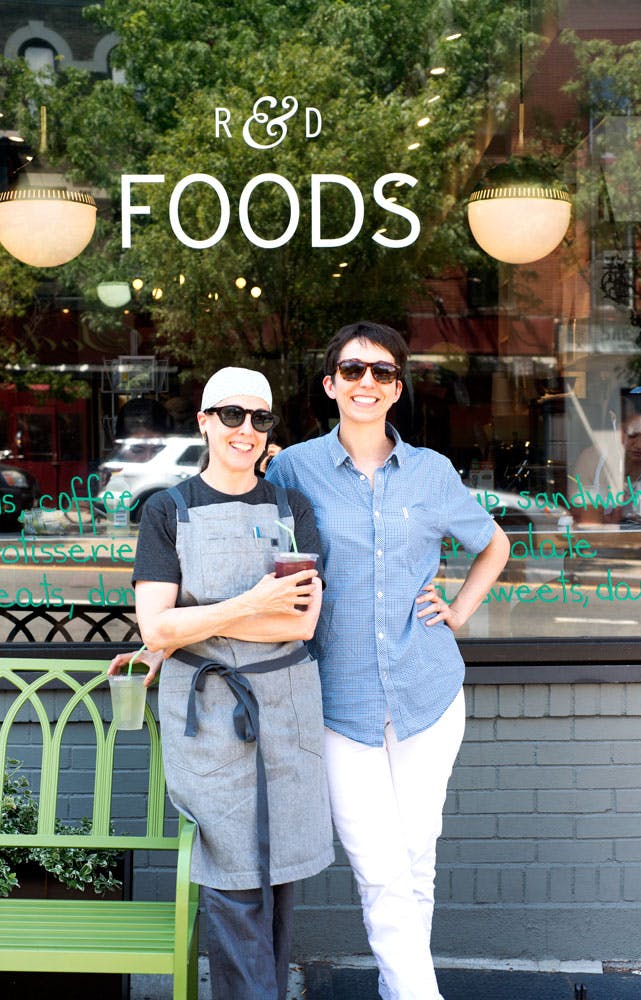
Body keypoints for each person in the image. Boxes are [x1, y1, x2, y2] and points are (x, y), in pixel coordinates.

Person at [265, 321, 510, 1000]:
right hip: (337, 700)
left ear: (396, 388)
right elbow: (257, 553)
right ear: (329, 384)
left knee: (415, 857)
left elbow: (492, 546)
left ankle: (402, 990)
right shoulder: (293, 469)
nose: (365, 382)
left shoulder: (429, 472)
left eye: (380, 372)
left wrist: (458, 611)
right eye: (352, 370)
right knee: (377, 865)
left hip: (426, 692)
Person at [108, 366, 334, 1000]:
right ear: (205, 420)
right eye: (232, 415)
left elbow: (304, 620)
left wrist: (198, 620)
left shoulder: (293, 508)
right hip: (208, 713)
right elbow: (155, 626)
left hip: (285, 709)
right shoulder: (168, 509)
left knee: (282, 881)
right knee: (232, 881)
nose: (246, 430)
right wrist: (252, 603)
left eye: (260, 419)